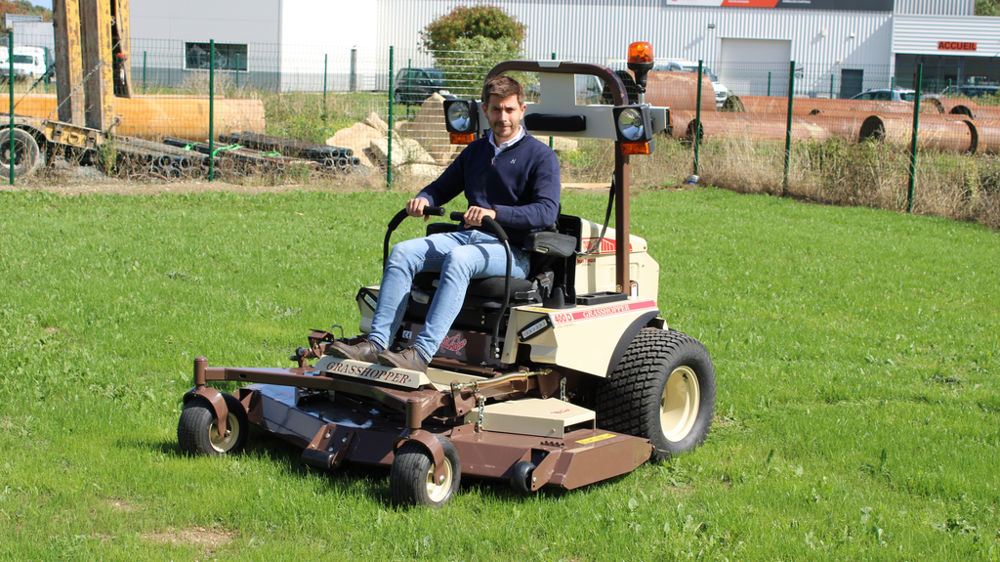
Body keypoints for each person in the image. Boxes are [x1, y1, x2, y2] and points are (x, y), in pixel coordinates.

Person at [330, 75, 561, 373]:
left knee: (459, 259)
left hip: (512, 250)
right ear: (485, 110)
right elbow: (441, 187)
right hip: (468, 237)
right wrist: (423, 199)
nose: (502, 117)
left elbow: (545, 212)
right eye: (496, 109)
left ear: (522, 110)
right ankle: (375, 344)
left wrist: (494, 213)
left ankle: (420, 353)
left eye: (509, 110)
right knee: (402, 252)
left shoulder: (541, 156)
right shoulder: (476, 151)